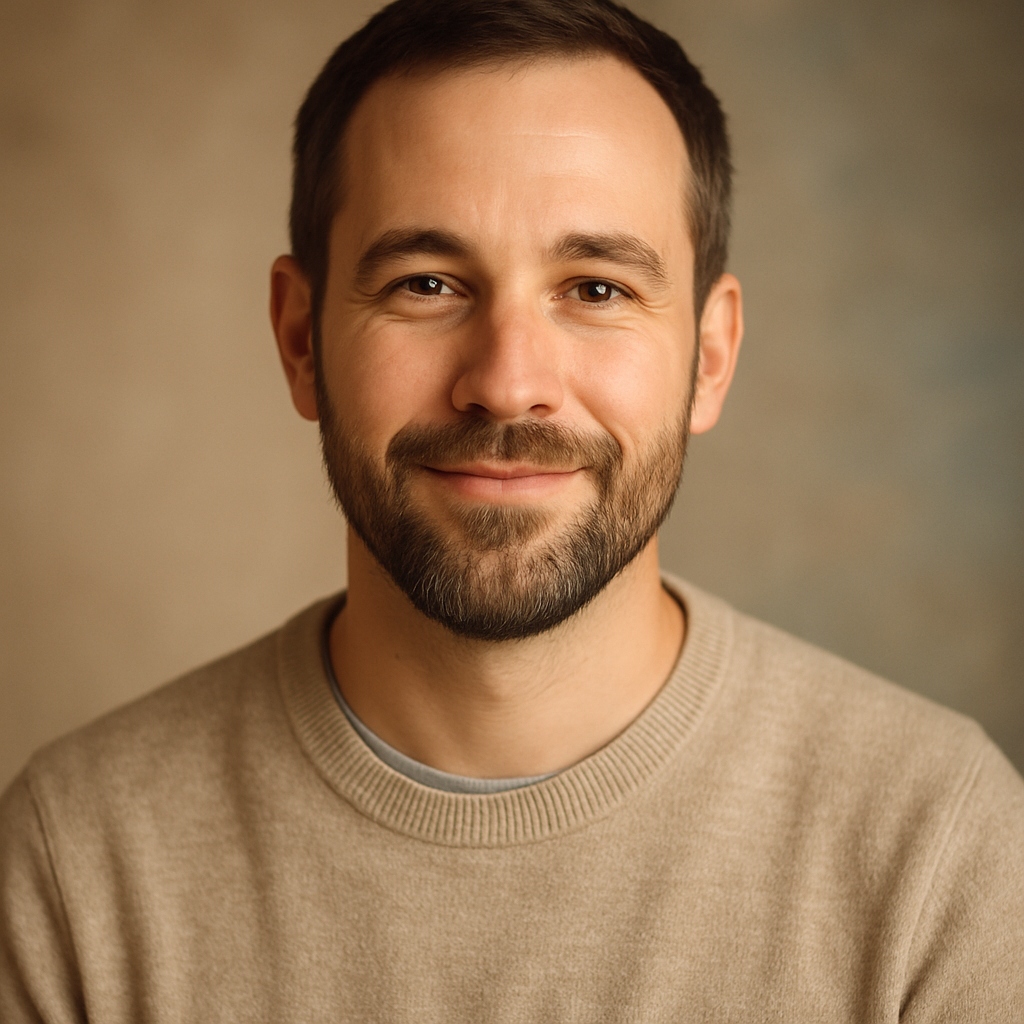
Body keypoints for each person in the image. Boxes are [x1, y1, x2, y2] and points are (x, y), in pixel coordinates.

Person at [2, 0, 1022, 1019]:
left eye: (596, 290)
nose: (506, 383)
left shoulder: (940, 853)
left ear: (709, 358)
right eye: (427, 283)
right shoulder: (75, 866)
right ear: (301, 339)